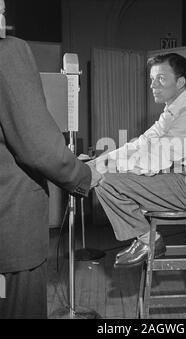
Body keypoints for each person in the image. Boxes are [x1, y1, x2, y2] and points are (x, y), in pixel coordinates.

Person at [0, 0, 101, 319]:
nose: (3, 15)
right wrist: (83, 174)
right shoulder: (8, 51)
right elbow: (37, 147)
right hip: (11, 227)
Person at [90, 53, 186, 268]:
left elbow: (157, 160)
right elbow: (141, 143)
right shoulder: (172, 112)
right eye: (152, 79)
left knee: (105, 180)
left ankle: (148, 240)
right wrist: (102, 160)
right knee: (103, 174)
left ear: (180, 82)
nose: (153, 85)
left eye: (161, 78)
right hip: (178, 178)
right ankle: (144, 238)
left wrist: (105, 168)